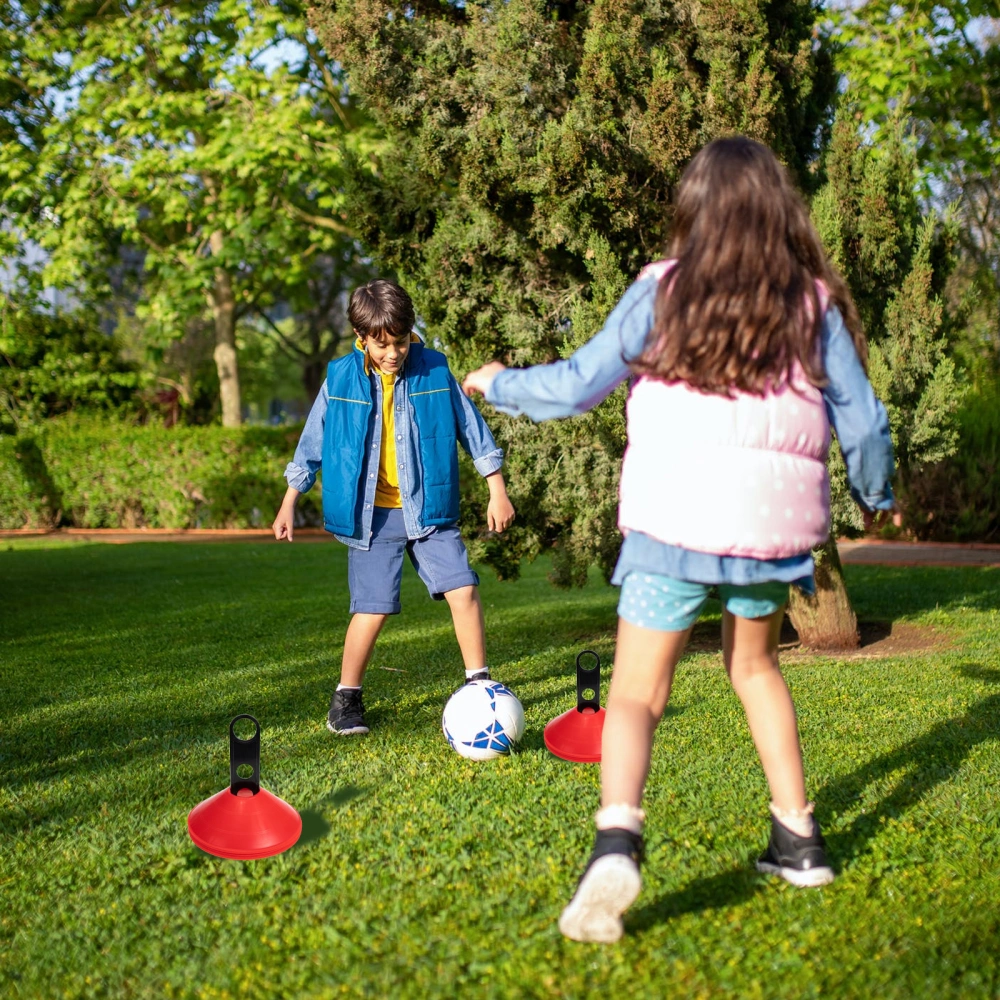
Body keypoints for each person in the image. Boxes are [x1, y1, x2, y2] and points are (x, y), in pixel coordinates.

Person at [463, 136, 895, 943]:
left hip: (672, 528)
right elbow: (864, 421)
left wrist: (497, 384)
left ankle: (617, 840)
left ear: (693, 211)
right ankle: (799, 839)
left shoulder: (661, 292)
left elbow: (575, 386)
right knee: (755, 666)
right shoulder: (810, 304)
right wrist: (876, 495)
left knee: (635, 695)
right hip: (768, 535)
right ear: (778, 211)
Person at [275, 279, 515, 736]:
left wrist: (496, 488)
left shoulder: (434, 371)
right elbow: (312, 443)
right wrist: (291, 499)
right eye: (382, 344)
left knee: (462, 590)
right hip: (373, 516)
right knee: (373, 607)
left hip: (430, 507)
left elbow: (473, 429)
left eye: (401, 342)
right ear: (360, 338)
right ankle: (346, 698)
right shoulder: (340, 377)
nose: (393, 353)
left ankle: (479, 686)